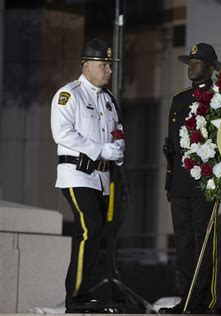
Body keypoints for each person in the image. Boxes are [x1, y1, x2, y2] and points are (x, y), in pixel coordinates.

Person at [50, 38, 124, 313]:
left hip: (102, 178)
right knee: (89, 228)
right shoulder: (69, 94)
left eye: (109, 64)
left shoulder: (108, 100)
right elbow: (63, 134)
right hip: (76, 174)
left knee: (96, 234)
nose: (109, 70)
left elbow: (117, 131)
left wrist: (118, 150)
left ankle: (84, 293)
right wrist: (101, 150)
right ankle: (76, 298)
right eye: (104, 64)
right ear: (87, 66)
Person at [159, 43, 221, 314]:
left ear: (210, 68)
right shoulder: (179, 99)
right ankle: (186, 299)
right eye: (190, 62)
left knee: (204, 242)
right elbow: (171, 145)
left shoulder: (219, 97)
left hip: (204, 183)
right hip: (181, 183)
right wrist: (170, 180)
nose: (191, 66)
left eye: (197, 63)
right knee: (183, 244)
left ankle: (203, 302)